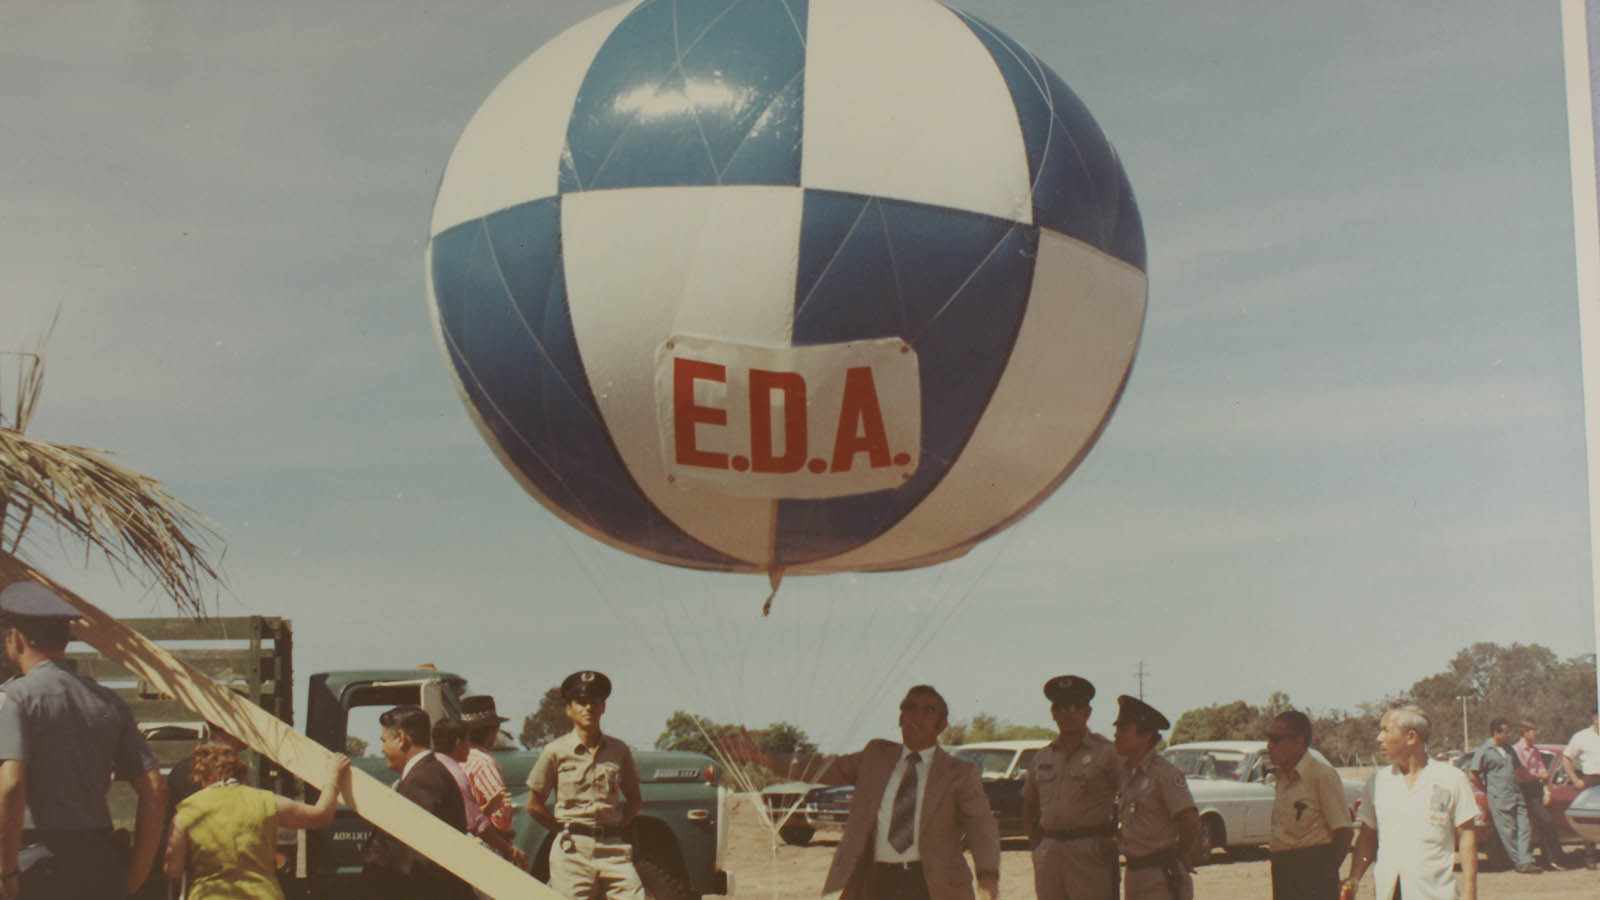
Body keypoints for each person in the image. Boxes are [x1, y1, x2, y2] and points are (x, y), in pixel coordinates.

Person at [0, 580, 168, 899]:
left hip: (35, 867)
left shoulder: (15, 699)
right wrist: (136, 874)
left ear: (15, 638)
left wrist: (6, 871)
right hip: (99, 866)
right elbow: (155, 790)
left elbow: (9, 786)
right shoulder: (108, 701)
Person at [818, 684, 999, 900]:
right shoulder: (875, 756)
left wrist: (987, 876)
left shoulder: (959, 773)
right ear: (900, 718)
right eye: (910, 708)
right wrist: (769, 759)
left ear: (941, 725)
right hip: (876, 881)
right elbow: (820, 769)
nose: (917, 716)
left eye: (929, 711)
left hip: (932, 885)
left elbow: (981, 827)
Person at [164, 743, 349, 899]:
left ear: (201, 776)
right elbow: (321, 815)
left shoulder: (185, 811)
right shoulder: (266, 801)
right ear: (241, 773)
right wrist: (333, 776)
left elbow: (173, 869)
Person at [526, 671, 645, 900]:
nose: (588, 708)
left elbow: (635, 799)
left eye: (595, 702)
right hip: (572, 852)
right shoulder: (555, 751)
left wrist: (616, 826)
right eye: (581, 703)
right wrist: (562, 830)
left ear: (603, 708)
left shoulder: (619, 751)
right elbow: (533, 805)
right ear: (569, 709)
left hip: (613, 850)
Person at [1343, 705, 1477, 900]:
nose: (1379, 738)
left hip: (1435, 892)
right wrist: (1354, 878)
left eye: (1386, 730)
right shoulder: (1378, 782)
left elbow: (1467, 836)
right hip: (1389, 891)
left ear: (1411, 737)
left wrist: (1470, 892)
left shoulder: (1451, 778)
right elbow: (1367, 836)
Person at [1021, 675, 1119, 900]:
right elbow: (1029, 803)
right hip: (1050, 853)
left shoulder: (1107, 753)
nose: (1068, 713)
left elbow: (1133, 794)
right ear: (1053, 713)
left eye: (1076, 706)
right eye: (1062, 707)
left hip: (1091, 853)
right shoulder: (1042, 757)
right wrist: (1035, 844)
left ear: (1088, 712)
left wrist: (1119, 838)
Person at [362, 704, 474, 900]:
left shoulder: (424, 779)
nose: (381, 749)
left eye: (384, 740)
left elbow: (418, 856)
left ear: (401, 739)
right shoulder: (426, 774)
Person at [1112, 696, 1198, 900]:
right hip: (1134, 872)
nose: (1116, 735)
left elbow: (1190, 819)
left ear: (1146, 735)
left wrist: (1180, 852)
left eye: (1124, 730)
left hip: (1159, 874)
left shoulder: (1164, 774)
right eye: (1117, 729)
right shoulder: (1126, 773)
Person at [1264, 710, 1352, 900]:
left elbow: (1343, 831)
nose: (1269, 746)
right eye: (1268, 739)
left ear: (1299, 741)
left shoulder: (1321, 775)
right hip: (1282, 869)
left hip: (1314, 871)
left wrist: (1323, 872)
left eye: (1276, 739)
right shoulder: (1281, 778)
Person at [432, 717, 527, 868]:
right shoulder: (457, 772)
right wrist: (510, 850)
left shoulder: (432, 766)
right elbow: (476, 823)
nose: (470, 748)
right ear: (458, 744)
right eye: (467, 742)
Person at [1461, 717, 1538, 874]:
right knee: (1508, 832)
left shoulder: (1509, 749)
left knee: (1525, 827)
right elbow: (1473, 775)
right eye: (1505, 732)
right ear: (1496, 733)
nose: (1508, 736)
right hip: (1499, 797)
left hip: (1516, 794)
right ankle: (1520, 862)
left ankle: (1526, 860)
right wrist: (1486, 790)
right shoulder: (1484, 751)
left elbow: (1518, 769)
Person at [1511, 719, 1569, 869]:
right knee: (1545, 821)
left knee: (1548, 823)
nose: (1537, 734)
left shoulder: (1535, 751)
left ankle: (1551, 858)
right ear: (1524, 732)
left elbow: (1544, 773)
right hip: (1523, 790)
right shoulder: (1516, 750)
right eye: (1533, 730)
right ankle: (1551, 858)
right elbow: (1521, 774)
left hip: (1536, 790)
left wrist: (1539, 777)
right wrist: (1537, 775)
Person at [461, 695, 515, 838]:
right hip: (485, 838)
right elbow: (501, 809)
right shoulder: (483, 762)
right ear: (493, 730)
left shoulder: (456, 758)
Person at [1560, 712, 1600, 868]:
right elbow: (1566, 758)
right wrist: (1575, 779)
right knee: (1589, 818)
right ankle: (1590, 857)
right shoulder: (1582, 736)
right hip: (1591, 779)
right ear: (1595, 718)